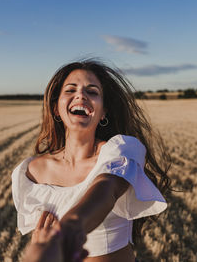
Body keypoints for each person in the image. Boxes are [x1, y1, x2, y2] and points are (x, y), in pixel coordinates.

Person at [12, 59, 172, 262]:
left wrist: (62, 238)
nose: (80, 95)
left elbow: (104, 193)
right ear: (55, 108)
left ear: (104, 111)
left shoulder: (121, 152)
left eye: (92, 91)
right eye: (70, 90)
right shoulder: (31, 172)